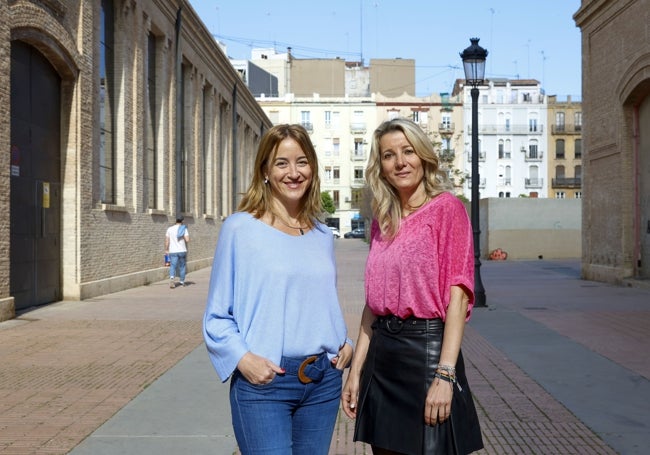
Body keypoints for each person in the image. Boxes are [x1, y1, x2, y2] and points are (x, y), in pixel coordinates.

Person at [203, 124, 353, 455]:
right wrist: (243, 360)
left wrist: (346, 344)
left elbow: (320, 303)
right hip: (265, 383)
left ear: (313, 168)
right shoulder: (240, 228)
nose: (293, 172)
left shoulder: (322, 235)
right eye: (282, 163)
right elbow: (217, 315)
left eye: (302, 161)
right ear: (266, 171)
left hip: (323, 381)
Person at [341, 118, 484, 455]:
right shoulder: (383, 219)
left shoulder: (447, 209)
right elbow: (373, 304)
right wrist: (356, 372)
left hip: (427, 355)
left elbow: (458, 295)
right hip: (382, 357)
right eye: (389, 155)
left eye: (408, 151)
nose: (400, 161)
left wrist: (445, 374)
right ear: (381, 167)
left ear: (423, 157)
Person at [165, 215, 189, 288]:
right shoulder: (184, 229)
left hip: (173, 251)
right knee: (182, 266)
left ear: (175, 221)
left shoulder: (169, 229)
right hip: (182, 250)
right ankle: (182, 282)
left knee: (173, 266)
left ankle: (172, 279)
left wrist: (166, 249)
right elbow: (187, 240)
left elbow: (167, 241)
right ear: (182, 221)